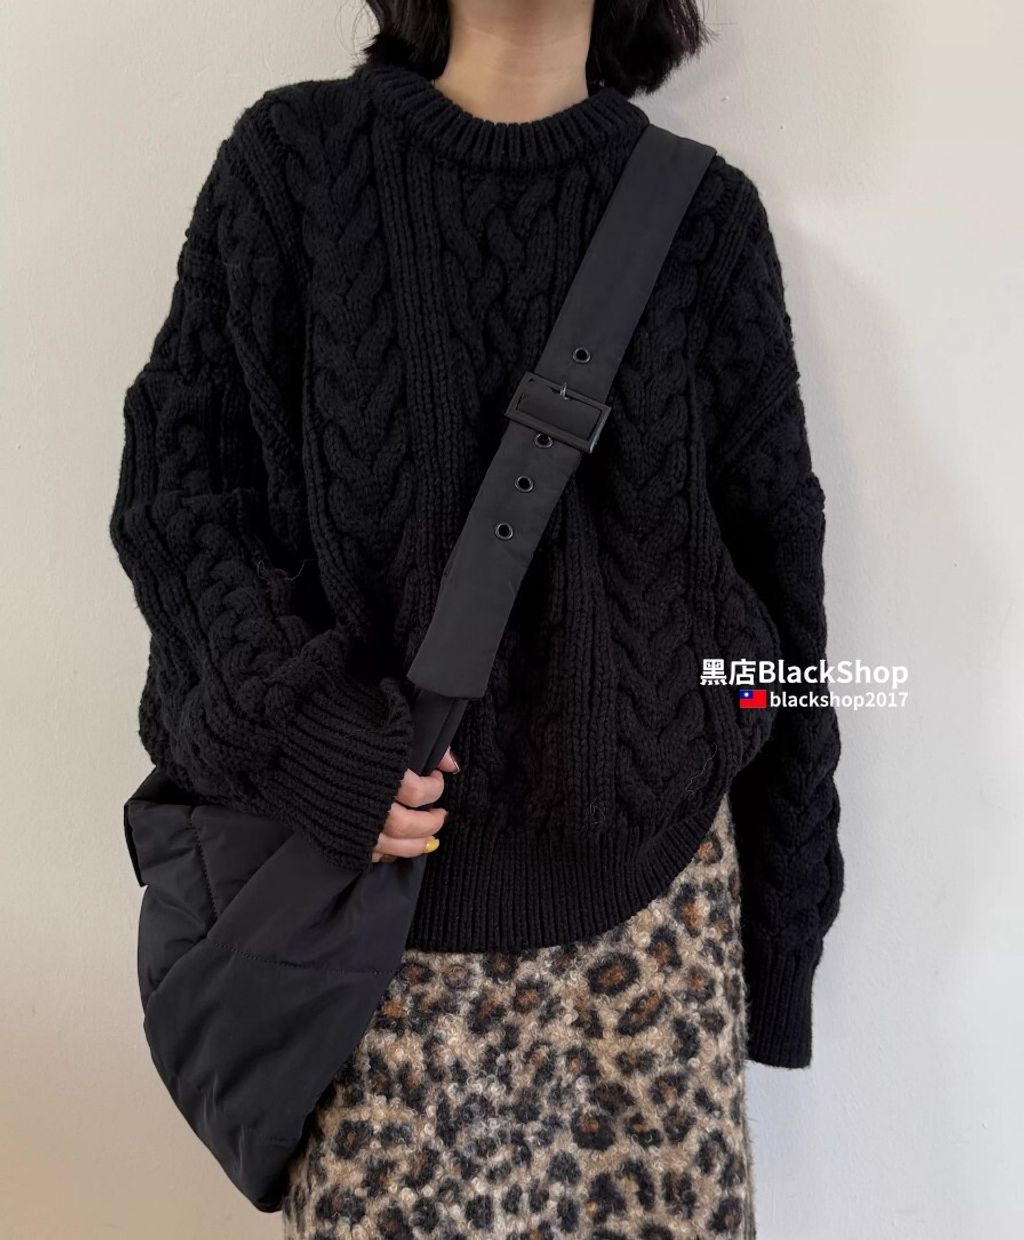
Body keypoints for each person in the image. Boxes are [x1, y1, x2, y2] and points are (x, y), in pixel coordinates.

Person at [108, 1, 843, 1235]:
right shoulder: (294, 166)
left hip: (657, 941)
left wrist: (779, 939)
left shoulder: (704, 217)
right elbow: (177, 501)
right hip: (372, 951)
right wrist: (310, 740)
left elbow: (785, 593)